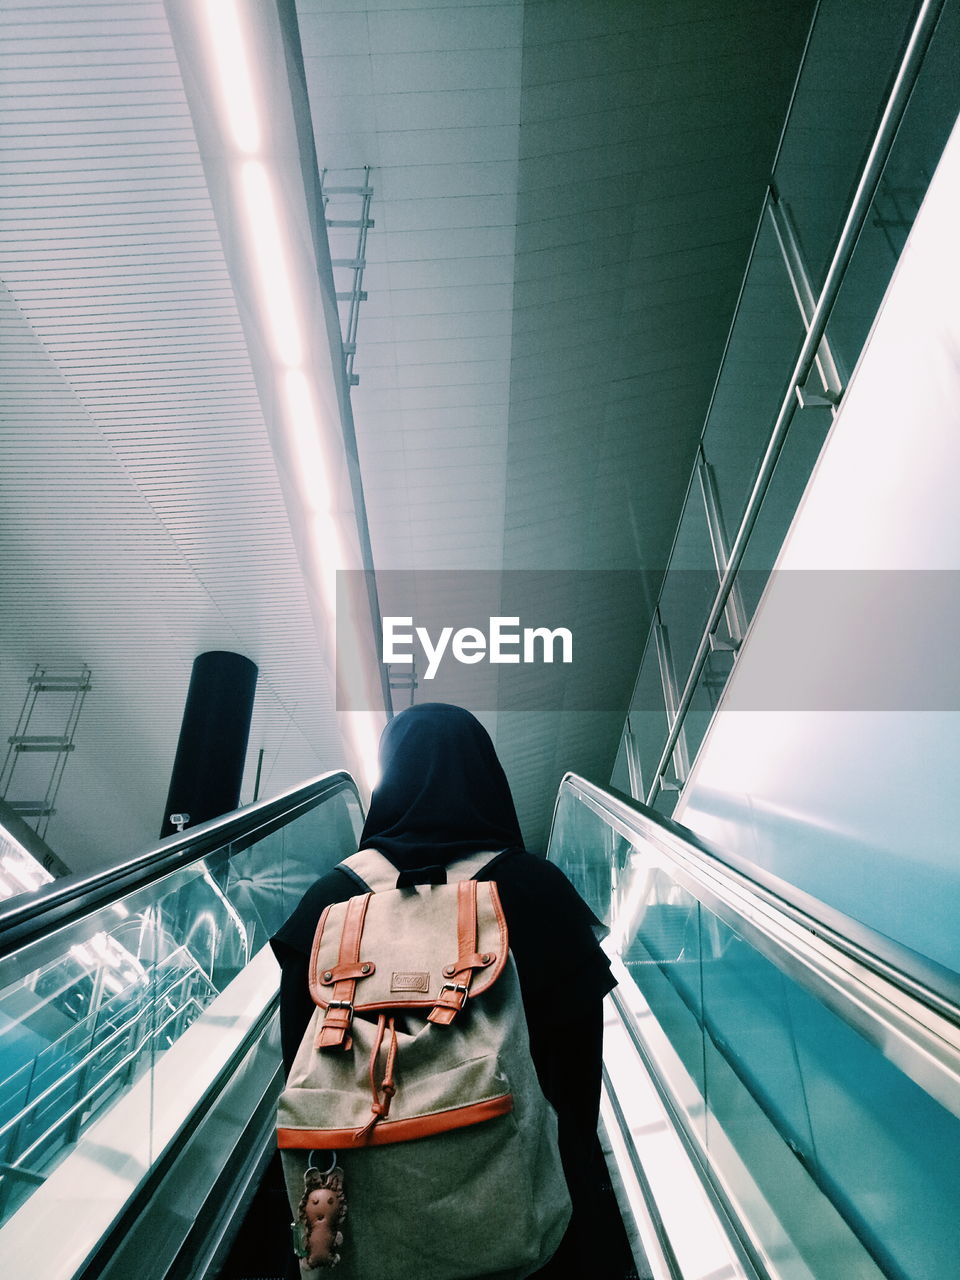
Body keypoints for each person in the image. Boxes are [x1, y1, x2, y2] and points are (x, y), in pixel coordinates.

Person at [270, 702, 616, 1278]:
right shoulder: (534, 889)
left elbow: (295, 1059)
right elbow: (578, 1082)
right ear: (486, 777)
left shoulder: (330, 899)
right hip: (519, 1228)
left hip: (362, 1223)